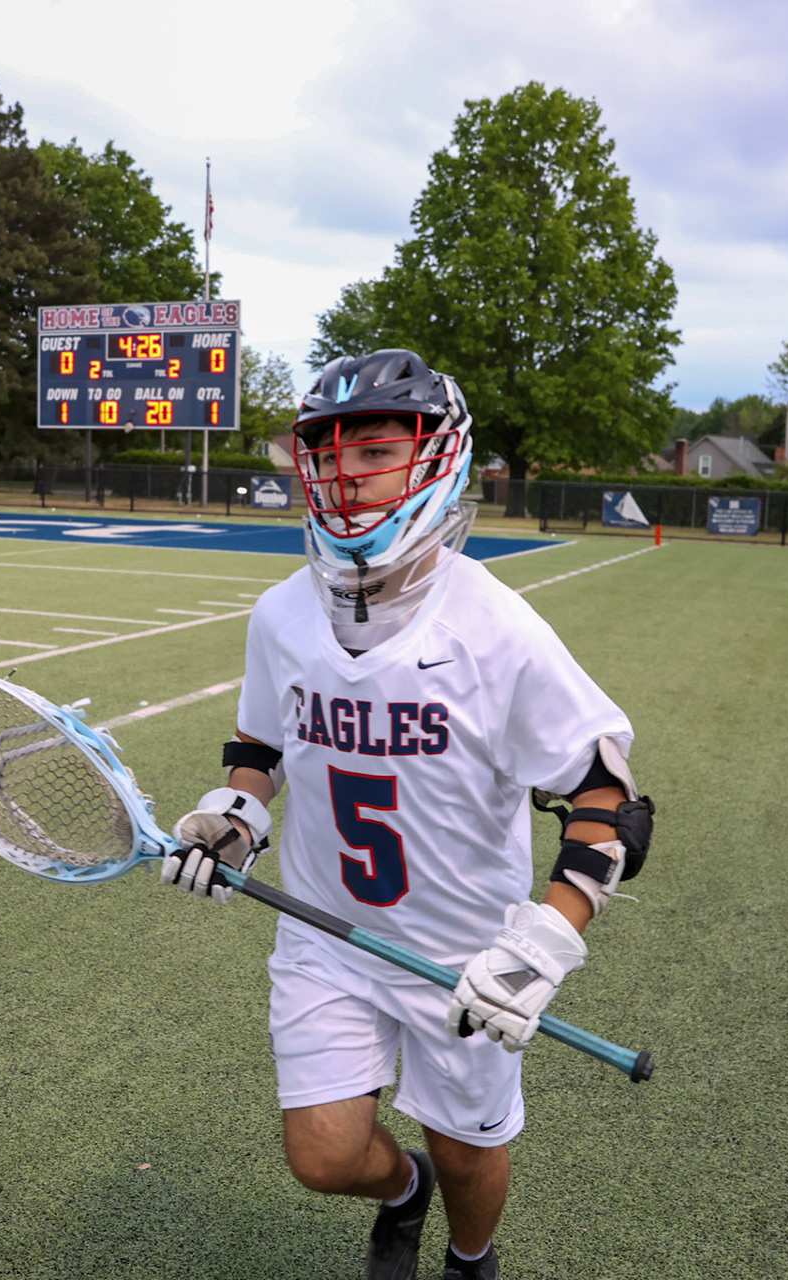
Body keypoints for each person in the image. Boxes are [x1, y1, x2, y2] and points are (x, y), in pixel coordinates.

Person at [160, 349, 654, 1280]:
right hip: (325, 934)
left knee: (470, 1152)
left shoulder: (496, 628)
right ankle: (400, 1194)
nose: (349, 473)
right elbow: (260, 745)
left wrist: (546, 940)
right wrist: (233, 815)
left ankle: (471, 1261)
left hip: (465, 951)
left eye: (377, 447)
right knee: (323, 1156)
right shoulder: (281, 615)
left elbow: (609, 798)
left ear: (439, 456)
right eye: (330, 451)